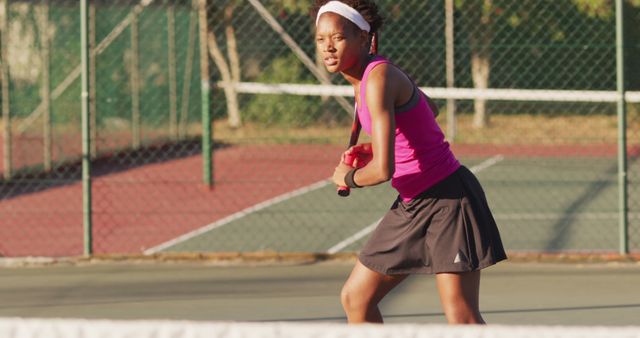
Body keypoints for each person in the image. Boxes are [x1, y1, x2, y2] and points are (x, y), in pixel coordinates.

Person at [312, 0, 507, 324]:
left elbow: (383, 172)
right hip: (413, 201)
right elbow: (428, 109)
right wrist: (376, 147)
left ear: (364, 38)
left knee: (462, 317)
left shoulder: (377, 79)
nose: (328, 47)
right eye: (321, 39)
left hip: (448, 199)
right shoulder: (367, 79)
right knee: (356, 298)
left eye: (338, 37)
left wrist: (348, 177)